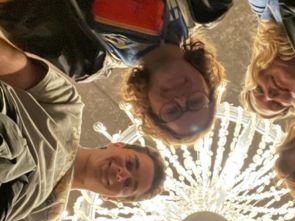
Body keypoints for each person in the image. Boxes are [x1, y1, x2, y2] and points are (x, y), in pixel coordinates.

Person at [0, 36, 166, 221]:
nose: (122, 173)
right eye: (131, 163)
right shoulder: (68, 106)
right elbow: (13, 63)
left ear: (113, 198)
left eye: (129, 184)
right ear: (117, 144)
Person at [0, 0, 228, 145]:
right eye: (196, 102)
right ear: (208, 86)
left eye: (172, 111)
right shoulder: (206, 6)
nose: (180, 98)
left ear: (150, 108)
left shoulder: (82, 60)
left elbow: (13, 11)